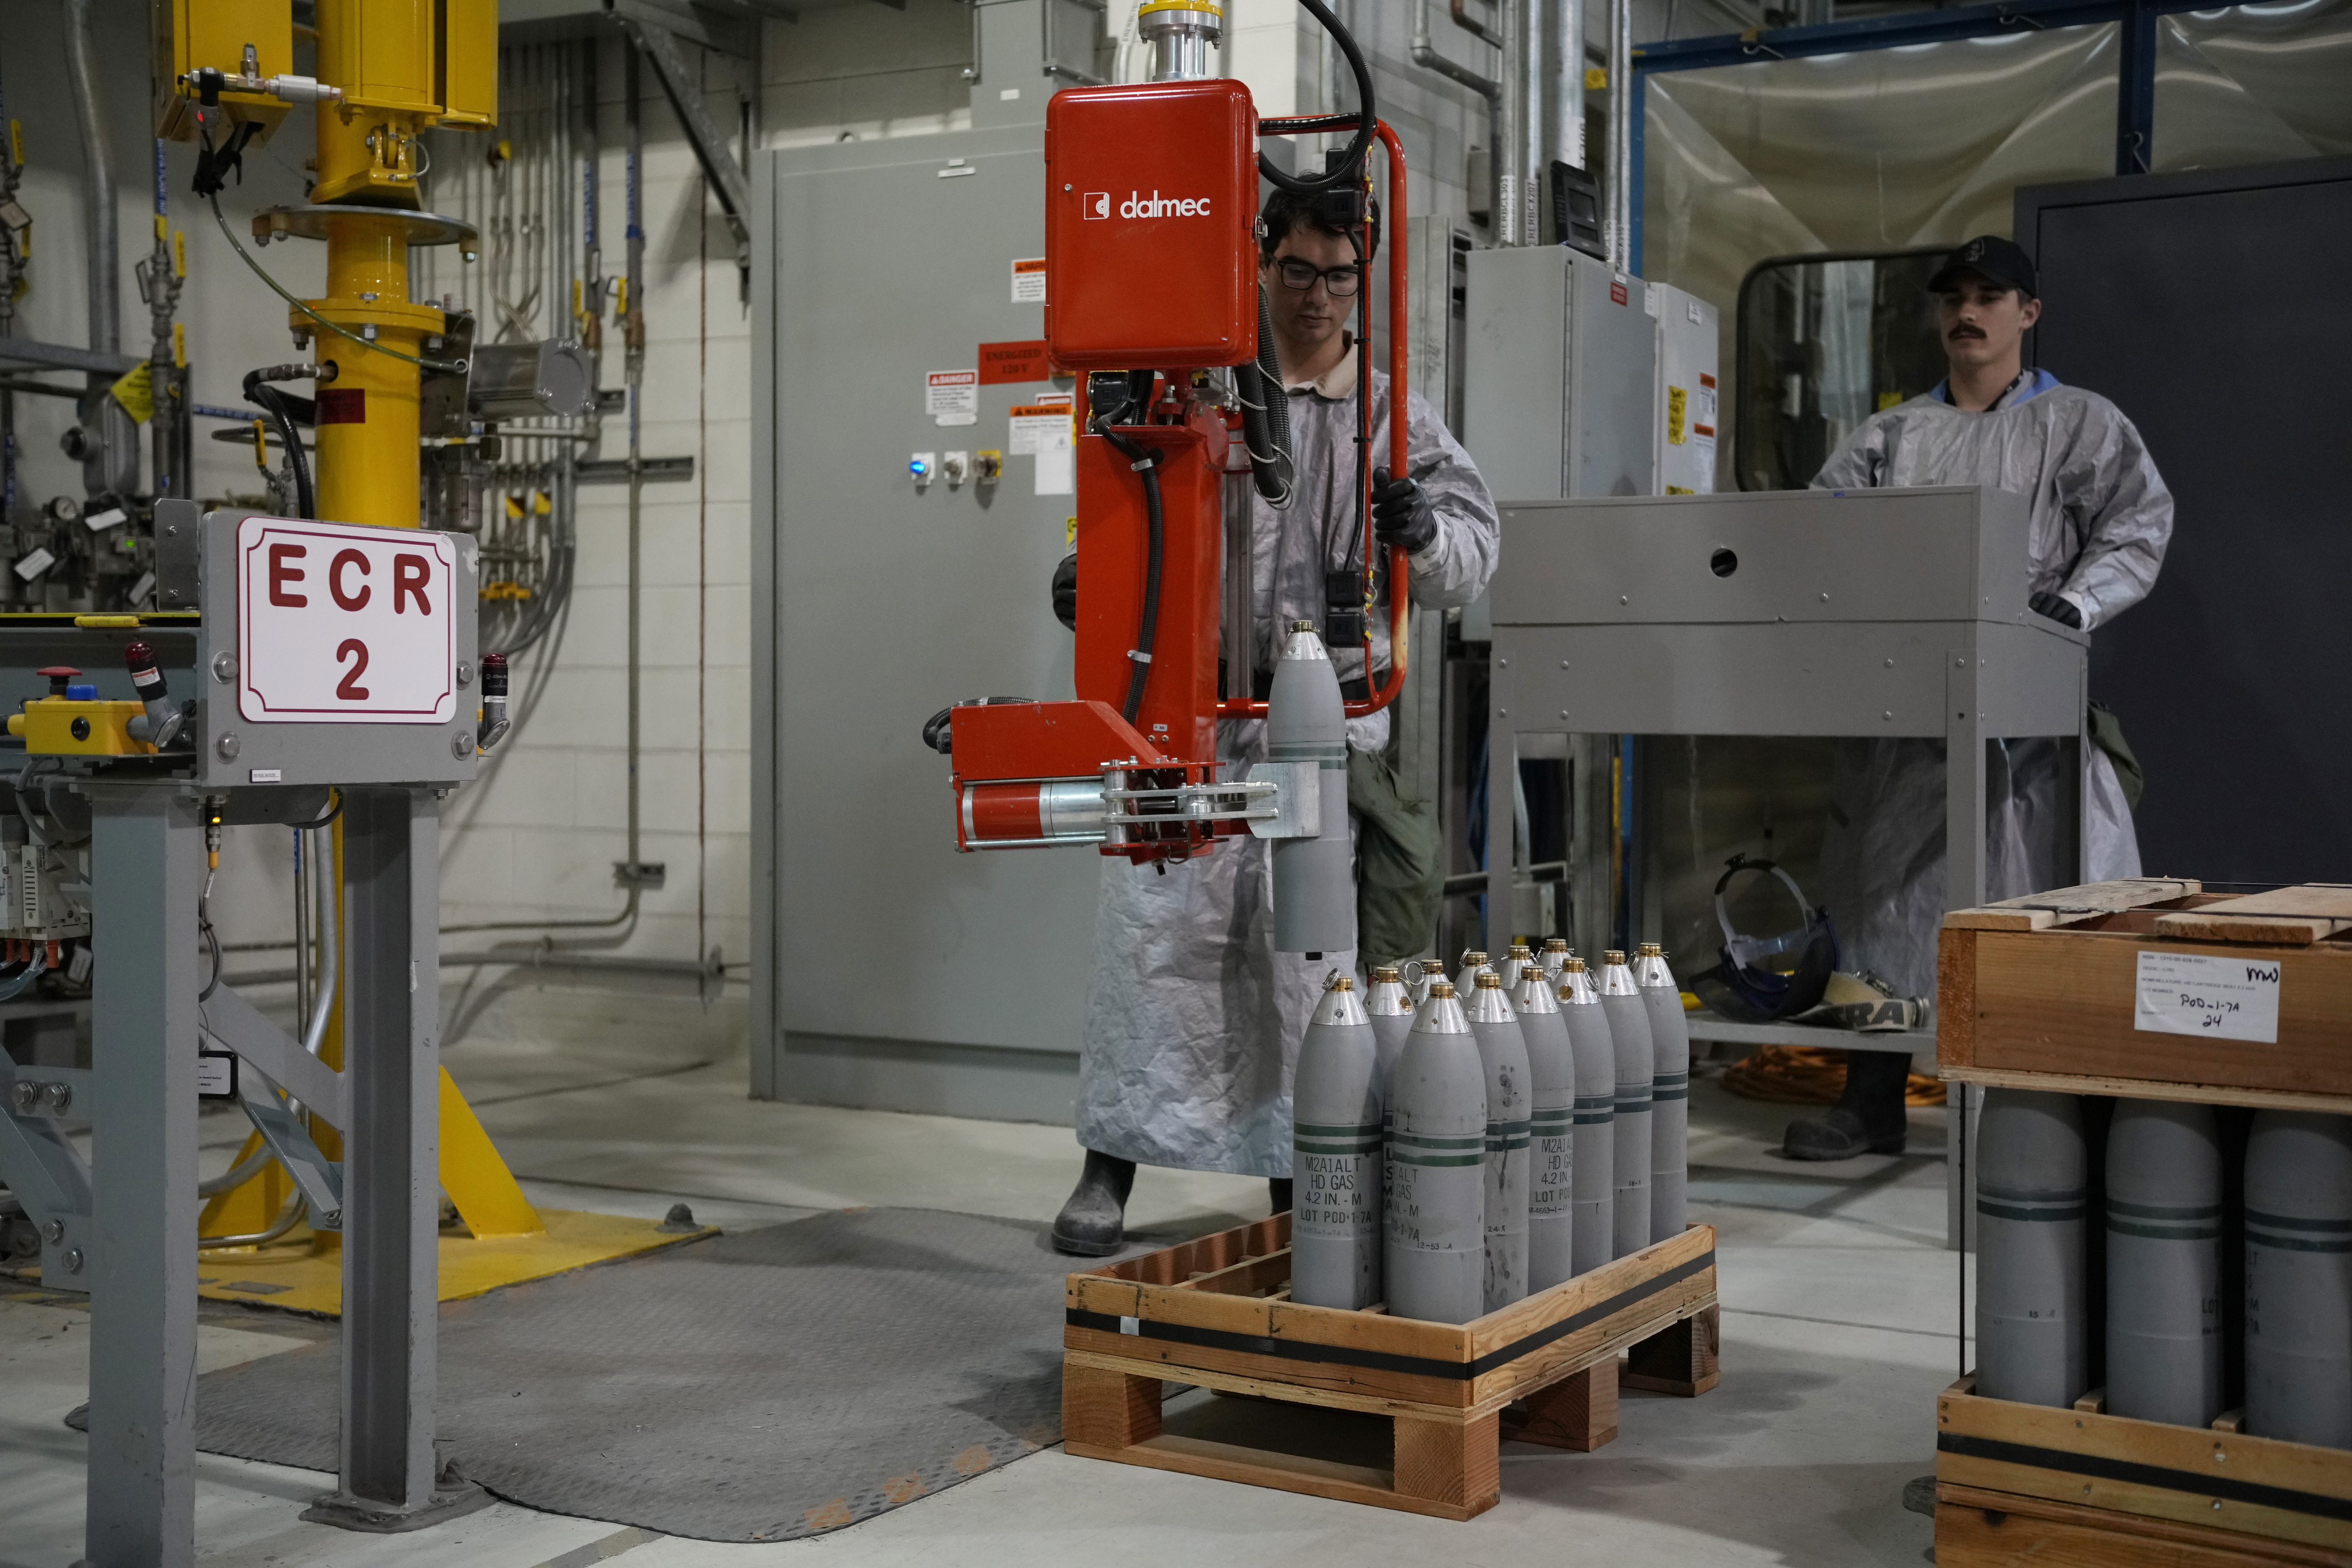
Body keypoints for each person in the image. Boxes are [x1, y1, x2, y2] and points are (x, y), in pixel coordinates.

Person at [1048, 188, 1501, 1254]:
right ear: (1261, 265)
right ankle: (1109, 1163)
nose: (1316, 297)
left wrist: (1426, 530)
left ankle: (1305, 1183)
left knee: (1304, 968)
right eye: (1297, 271)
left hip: (1322, 733)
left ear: (1366, 279)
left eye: (1339, 276)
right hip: (1188, 725)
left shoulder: (1391, 414)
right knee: (1155, 944)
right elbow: (1126, 518)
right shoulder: (1197, 394)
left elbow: (1474, 561)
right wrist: (1089, 581)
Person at [1785, 234, 2174, 1161]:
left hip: (2032, 722)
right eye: (1954, 296)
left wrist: (2071, 604)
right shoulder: (1891, 437)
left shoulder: (2078, 422)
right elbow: (1817, 535)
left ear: (2027, 314)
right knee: (1886, 899)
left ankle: (2040, 1112)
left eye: (1990, 295)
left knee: (2039, 895)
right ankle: (1873, 1097)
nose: (1969, 311)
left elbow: (2139, 523)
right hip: (1908, 715)